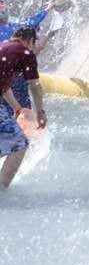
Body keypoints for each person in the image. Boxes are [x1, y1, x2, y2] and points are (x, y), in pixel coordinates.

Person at [0, 27, 48, 191]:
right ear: (29, 40)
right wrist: (40, 112)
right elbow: (35, 86)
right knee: (19, 144)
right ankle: (1, 191)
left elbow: (4, 87)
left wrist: (18, 109)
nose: (33, 49)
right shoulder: (25, 53)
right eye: (33, 44)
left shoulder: (3, 47)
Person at [0, 0, 63, 110]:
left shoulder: (12, 28)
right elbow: (30, 23)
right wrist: (48, 8)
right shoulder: (13, 28)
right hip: (16, 82)